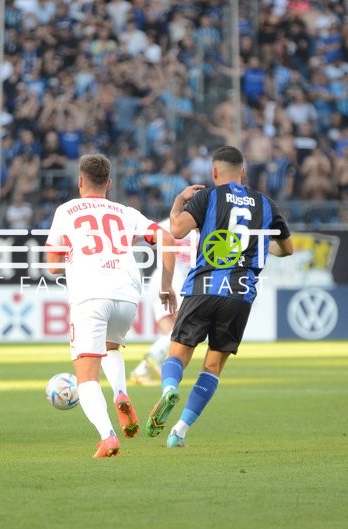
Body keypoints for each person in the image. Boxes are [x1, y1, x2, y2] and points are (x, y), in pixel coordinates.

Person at [145, 146, 293, 448]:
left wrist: (177, 203)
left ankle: (170, 388)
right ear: (244, 171)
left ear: (214, 173)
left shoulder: (207, 196)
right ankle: (180, 432)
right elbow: (287, 248)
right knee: (212, 367)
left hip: (203, 287)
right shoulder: (267, 205)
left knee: (178, 354)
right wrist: (263, 247)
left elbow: (177, 230)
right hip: (240, 294)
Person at [46, 153, 177, 458]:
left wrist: (75, 257)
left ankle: (108, 437)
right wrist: (166, 285)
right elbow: (167, 238)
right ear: (109, 183)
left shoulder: (66, 211)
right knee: (111, 348)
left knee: (86, 375)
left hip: (91, 294)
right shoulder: (125, 211)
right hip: (127, 293)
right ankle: (120, 392)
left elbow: (52, 265)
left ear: (80, 181)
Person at [128, 218, 198, 386]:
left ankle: (141, 371)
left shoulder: (170, 224)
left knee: (172, 333)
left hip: (159, 278)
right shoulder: (191, 226)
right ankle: (153, 356)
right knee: (185, 327)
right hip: (173, 278)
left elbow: (135, 236)